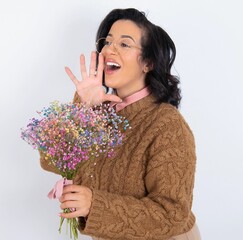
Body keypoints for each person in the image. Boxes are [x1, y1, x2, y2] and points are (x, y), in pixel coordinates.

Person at [40, 8, 200, 240]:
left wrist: (95, 204)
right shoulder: (98, 110)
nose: (109, 49)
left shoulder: (167, 124)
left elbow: (172, 213)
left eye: (124, 44)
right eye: (107, 41)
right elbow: (50, 161)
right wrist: (82, 108)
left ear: (148, 63)